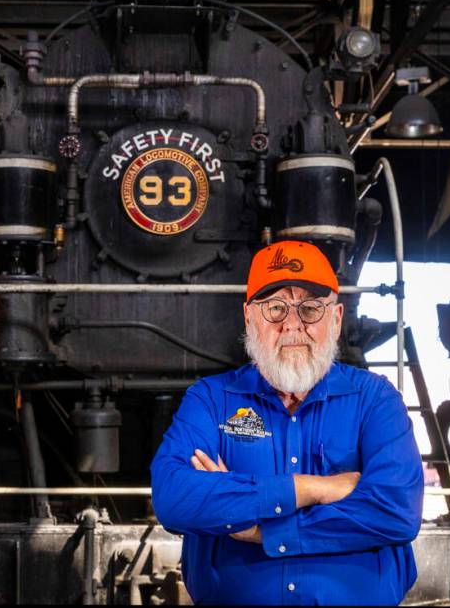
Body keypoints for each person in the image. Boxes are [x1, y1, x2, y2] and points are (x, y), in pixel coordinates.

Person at [150, 240, 423, 605]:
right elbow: (174, 498)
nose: (292, 325)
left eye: (310, 309)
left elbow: (396, 510)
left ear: (337, 319)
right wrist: (312, 488)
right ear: (249, 318)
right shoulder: (211, 400)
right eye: (275, 308)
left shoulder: (375, 399)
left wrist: (265, 529)